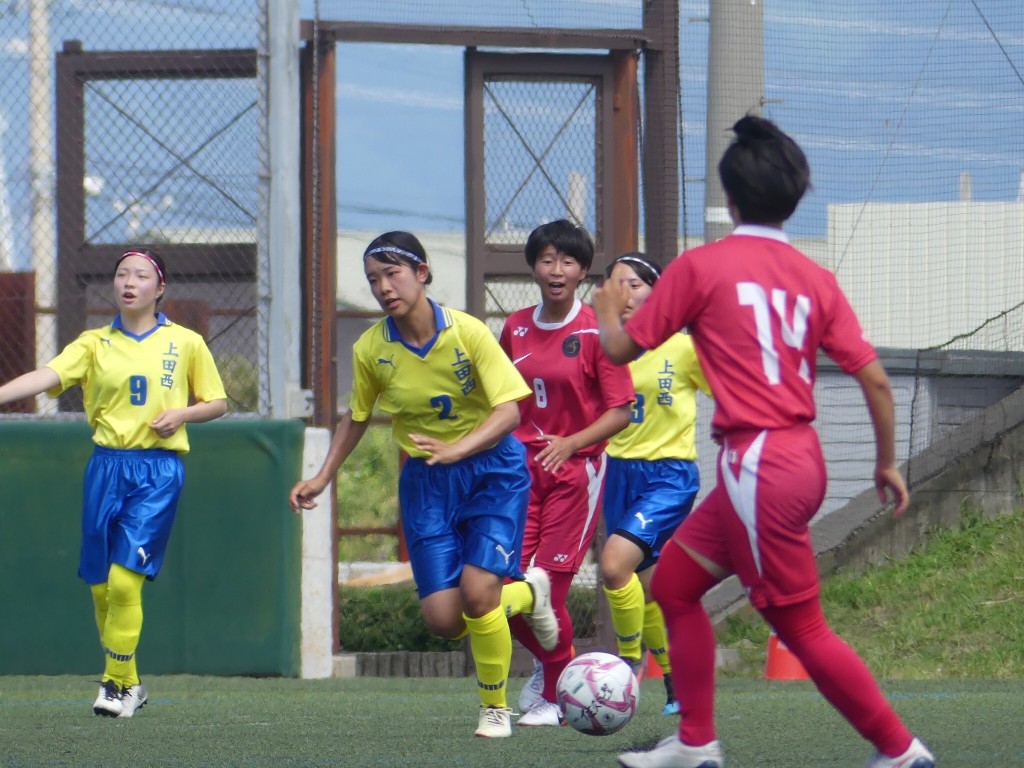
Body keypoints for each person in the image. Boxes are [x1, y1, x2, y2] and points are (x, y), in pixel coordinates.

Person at [593, 116, 934, 768]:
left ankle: (899, 750)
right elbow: (877, 382)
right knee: (674, 586)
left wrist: (608, 300)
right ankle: (695, 744)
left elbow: (617, 347)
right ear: (794, 197)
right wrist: (887, 463)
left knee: (801, 627)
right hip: (798, 459)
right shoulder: (815, 277)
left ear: (732, 200)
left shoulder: (701, 267)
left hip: (756, 464)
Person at [289, 231, 559, 739]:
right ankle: (528, 595)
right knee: (443, 619)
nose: (383, 287)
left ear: (423, 272)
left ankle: (495, 709)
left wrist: (459, 448)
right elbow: (358, 416)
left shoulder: (470, 333)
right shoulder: (373, 349)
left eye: (393, 273)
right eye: (373, 279)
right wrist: (322, 476)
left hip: (493, 473)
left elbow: (509, 410)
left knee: (479, 594)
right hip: (427, 484)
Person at [0, 249, 228, 718]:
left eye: (141, 275)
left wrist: (184, 412)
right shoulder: (93, 343)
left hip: (157, 471)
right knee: (102, 587)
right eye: (122, 274)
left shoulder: (184, 342)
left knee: (126, 582)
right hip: (105, 468)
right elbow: (46, 376)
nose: (129, 282)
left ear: (159, 287)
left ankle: (113, 684)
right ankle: (130, 684)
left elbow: (218, 402)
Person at [498, 219, 634, 727]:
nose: (557, 271)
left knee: (546, 591)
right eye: (548, 260)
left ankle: (557, 696)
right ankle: (559, 663)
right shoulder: (514, 326)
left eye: (569, 262)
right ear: (534, 266)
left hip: (576, 473)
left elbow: (622, 410)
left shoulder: (597, 332)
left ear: (582, 271)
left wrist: (572, 443)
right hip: (519, 474)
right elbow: (505, 400)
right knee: (501, 588)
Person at [598, 252, 712, 717]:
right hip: (619, 472)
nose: (624, 294)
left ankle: (626, 668)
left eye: (635, 284)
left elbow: (728, 391)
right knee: (643, 587)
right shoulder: (603, 348)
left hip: (669, 474)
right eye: (615, 285)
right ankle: (675, 684)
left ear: (657, 291)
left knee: (612, 565)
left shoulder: (683, 348)